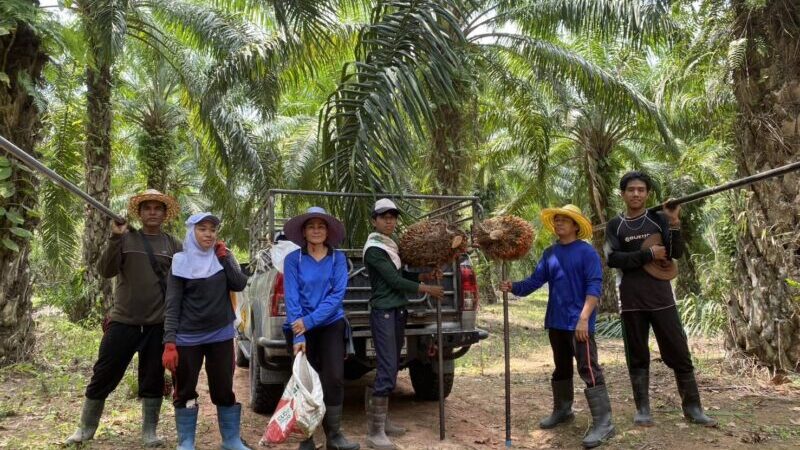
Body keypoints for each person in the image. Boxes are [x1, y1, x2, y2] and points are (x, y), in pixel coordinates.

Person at [66, 189, 181, 447]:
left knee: (152, 379)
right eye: (147, 207)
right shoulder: (127, 239)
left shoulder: (173, 245)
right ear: (139, 213)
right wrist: (115, 238)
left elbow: (185, 281)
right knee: (103, 374)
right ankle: (85, 429)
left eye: (157, 208)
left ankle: (149, 432)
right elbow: (105, 270)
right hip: (122, 322)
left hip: (157, 325)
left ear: (164, 214)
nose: (152, 211)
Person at [605, 171, 715, 427]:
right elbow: (613, 259)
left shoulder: (658, 220)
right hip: (631, 300)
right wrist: (647, 254)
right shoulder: (615, 225)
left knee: (679, 350)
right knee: (637, 354)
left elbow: (675, 252)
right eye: (631, 189)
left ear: (648, 194)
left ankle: (693, 408)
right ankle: (642, 409)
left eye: (641, 190)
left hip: (662, 297)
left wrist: (674, 222)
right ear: (623, 194)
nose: (636, 194)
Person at [500, 204, 615, 449]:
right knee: (561, 369)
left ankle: (604, 423)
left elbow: (594, 287)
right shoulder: (550, 253)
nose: (559, 223)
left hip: (579, 324)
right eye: (557, 220)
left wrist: (584, 318)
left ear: (575, 226)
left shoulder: (587, 253)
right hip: (556, 321)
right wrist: (513, 287)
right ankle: (563, 410)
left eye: (565, 220)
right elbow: (534, 281)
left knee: (589, 369)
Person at [162, 212, 250, 450]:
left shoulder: (221, 257)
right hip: (187, 336)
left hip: (220, 333)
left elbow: (239, 283)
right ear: (192, 232)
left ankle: (231, 440)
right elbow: (172, 303)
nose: (209, 234)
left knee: (223, 386)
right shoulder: (179, 262)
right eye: (203, 229)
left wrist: (225, 258)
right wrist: (169, 342)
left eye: (212, 229)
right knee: (186, 387)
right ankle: (187, 442)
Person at [362, 199, 445, 450]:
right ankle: (374, 433)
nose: (389, 221)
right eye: (384, 216)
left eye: (393, 217)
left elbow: (400, 275)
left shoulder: (390, 246)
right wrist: (427, 288)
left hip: (397, 311)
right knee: (387, 369)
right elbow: (393, 281)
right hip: (384, 312)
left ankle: (383, 421)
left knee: (392, 365)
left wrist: (424, 275)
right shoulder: (374, 248)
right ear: (374, 220)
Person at [282, 207, 360, 450]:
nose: (316, 230)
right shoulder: (293, 259)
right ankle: (307, 438)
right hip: (299, 328)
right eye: (311, 226)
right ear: (303, 232)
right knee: (305, 383)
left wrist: (310, 320)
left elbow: (336, 296)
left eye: (321, 226)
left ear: (327, 231)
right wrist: (300, 333)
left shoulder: (338, 259)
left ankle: (334, 436)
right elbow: (292, 297)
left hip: (330, 325)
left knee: (334, 378)